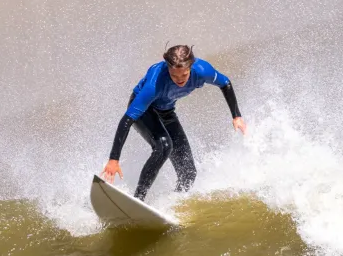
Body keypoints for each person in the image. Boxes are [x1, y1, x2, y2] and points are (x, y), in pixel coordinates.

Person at [100, 44, 246, 201]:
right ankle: (138, 199)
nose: (179, 80)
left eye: (184, 75)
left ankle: (174, 201)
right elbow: (127, 119)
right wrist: (114, 159)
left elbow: (225, 83)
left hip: (166, 111)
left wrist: (236, 116)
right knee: (164, 146)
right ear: (168, 68)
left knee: (189, 173)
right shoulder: (154, 84)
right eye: (174, 76)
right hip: (145, 110)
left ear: (191, 66)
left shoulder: (202, 71)